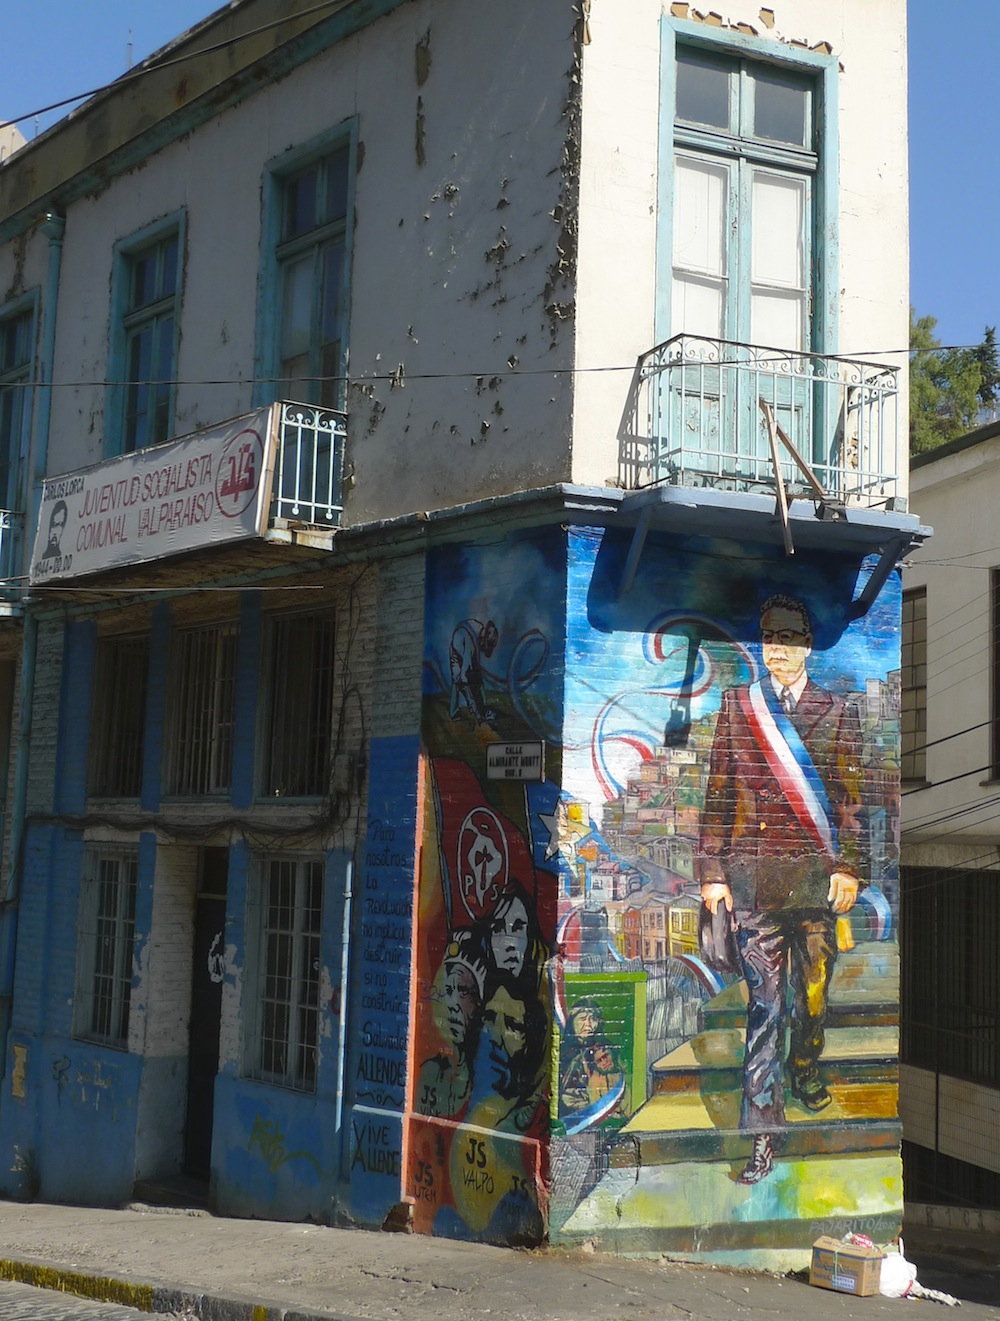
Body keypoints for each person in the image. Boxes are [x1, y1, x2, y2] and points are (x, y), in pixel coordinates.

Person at [698, 594, 864, 1185]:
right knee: (765, 1007)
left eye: (790, 640)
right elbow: (719, 791)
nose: (779, 650)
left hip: (815, 888)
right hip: (755, 887)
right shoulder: (738, 706)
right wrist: (712, 874)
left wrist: (848, 868)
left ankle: (805, 1064)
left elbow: (850, 801)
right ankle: (762, 1134)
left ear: (807, 647)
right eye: (771, 638)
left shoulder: (837, 711)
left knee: (811, 997)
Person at [449, 618, 498, 722]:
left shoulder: (477, 628)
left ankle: (476, 710)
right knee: (465, 680)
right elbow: (465, 676)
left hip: (456, 647)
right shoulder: (471, 646)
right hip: (458, 650)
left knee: (464, 678)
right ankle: (479, 713)